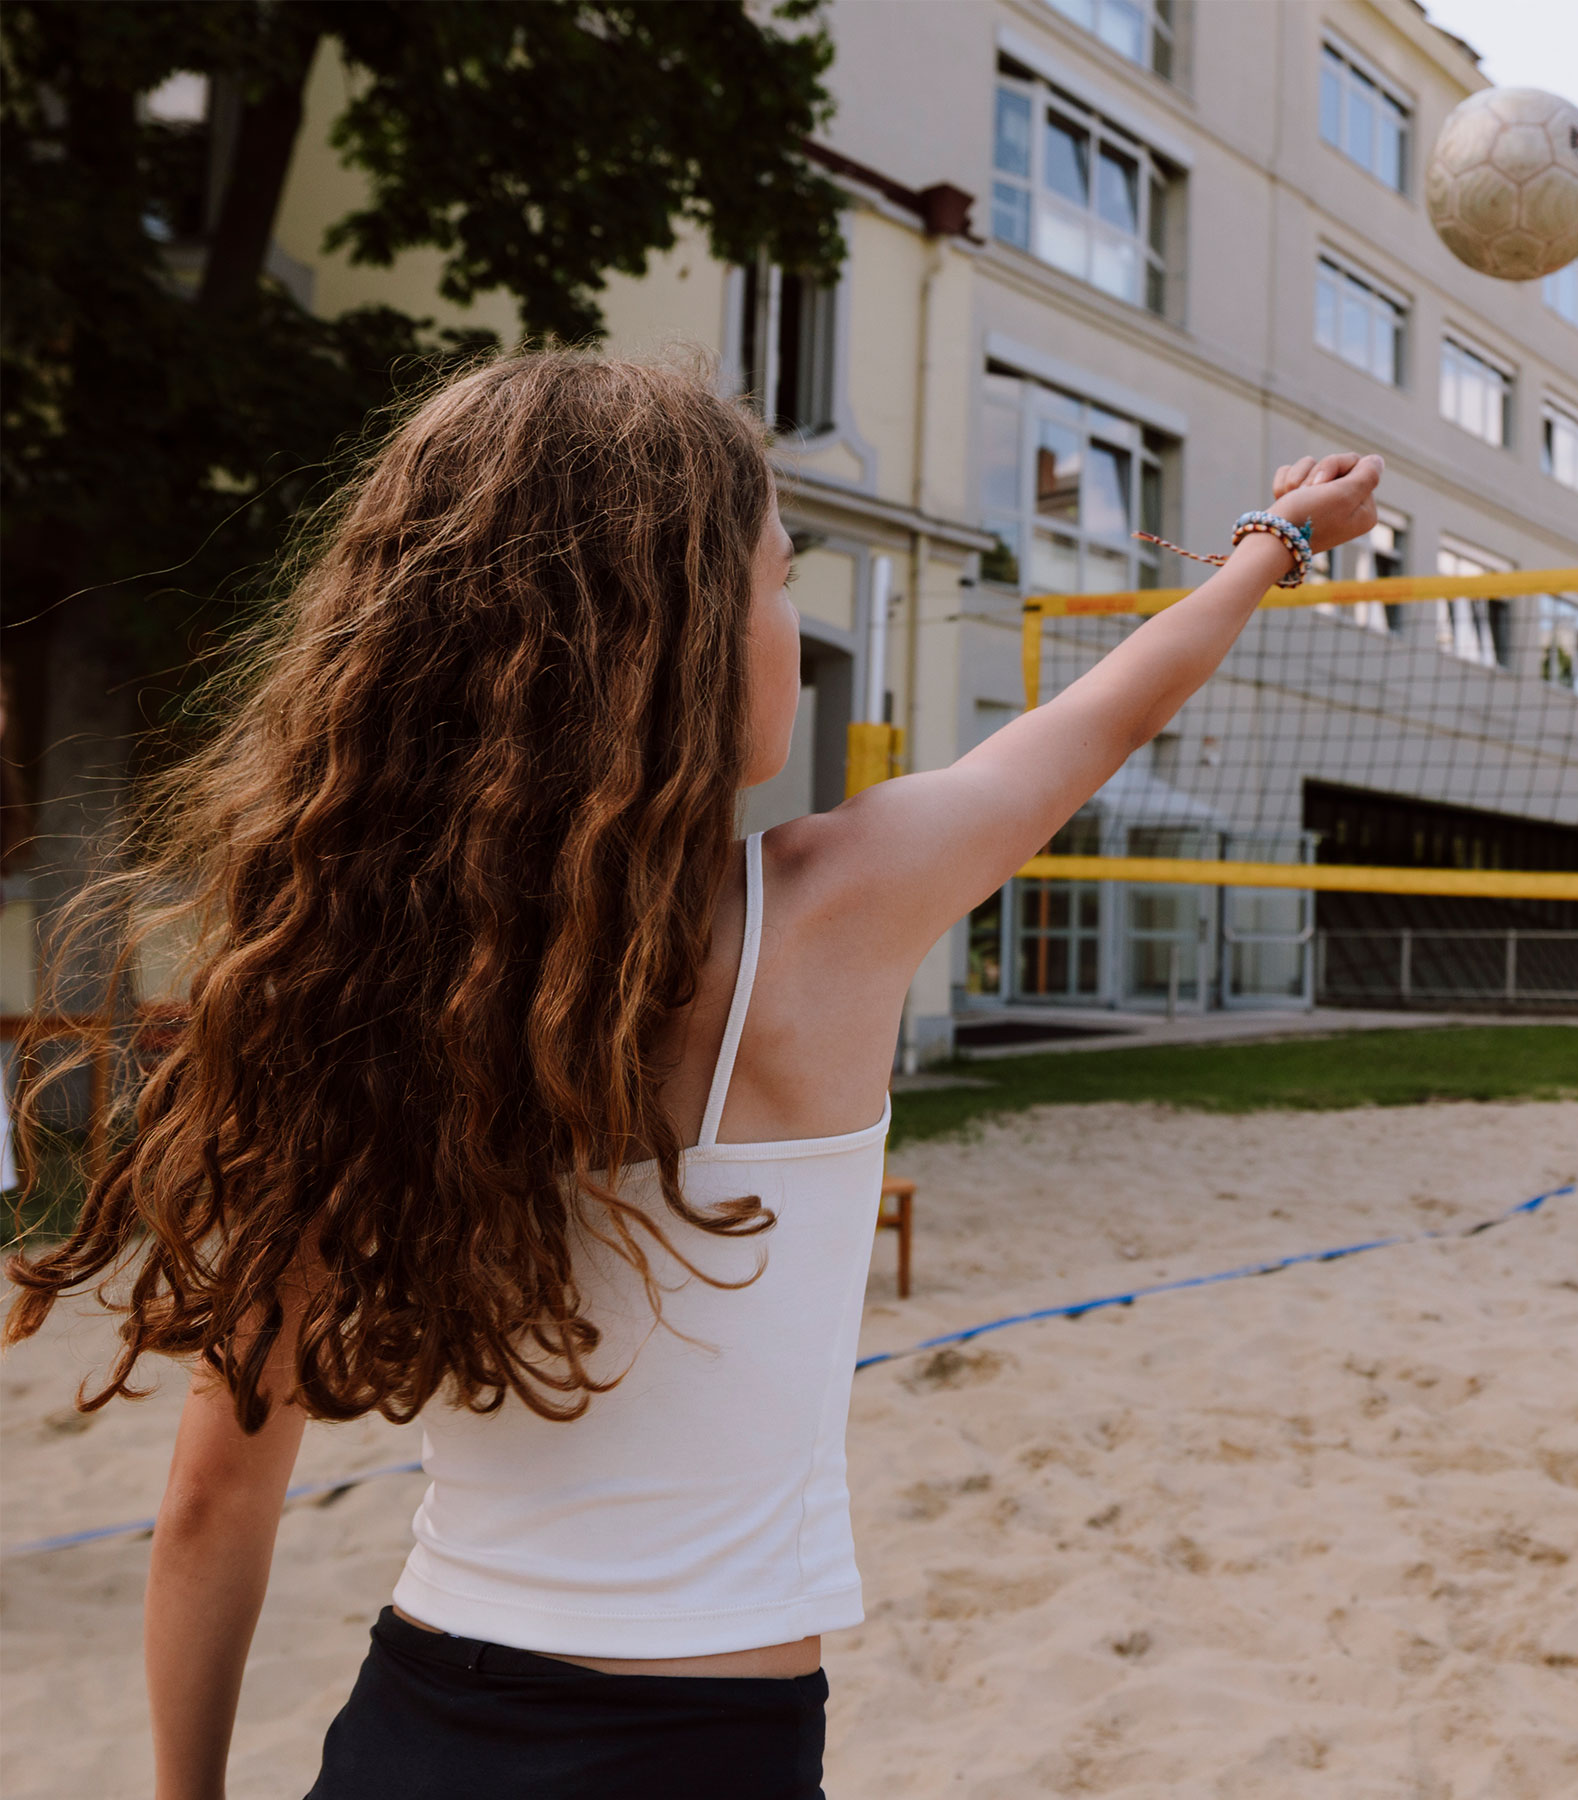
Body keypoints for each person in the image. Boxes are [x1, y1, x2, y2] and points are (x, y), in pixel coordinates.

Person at [1, 354, 1384, 1800]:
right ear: (671, 642)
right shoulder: (835, 911)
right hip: (696, 1756)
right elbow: (1103, 716)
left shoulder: (362, 1001)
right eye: (782, 581)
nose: (795, 624)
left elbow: (212, 1508)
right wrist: (1272, 543)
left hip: (411, 1728)